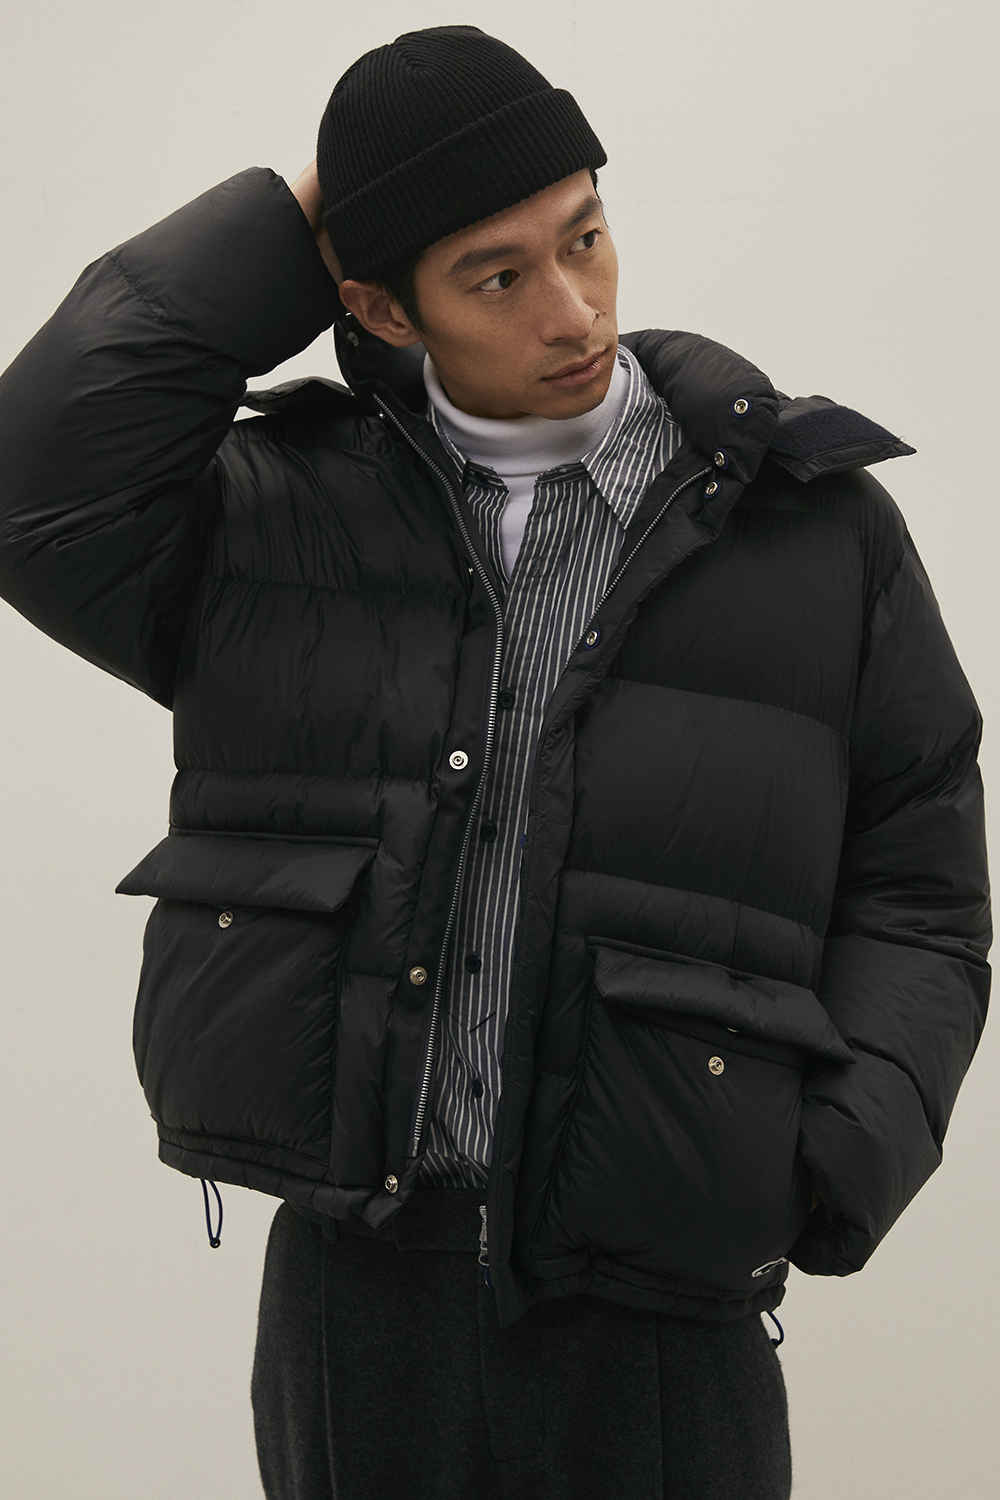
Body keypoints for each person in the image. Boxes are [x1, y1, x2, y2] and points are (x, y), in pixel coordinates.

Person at [0, 22, 989, 1500]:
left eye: (585, 235)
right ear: (377, 306)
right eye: (497, 275)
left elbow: (923, 886)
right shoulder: (273, 522)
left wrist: (823, 1170)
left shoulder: (808, 527)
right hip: (355, 1294)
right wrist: (295, 213)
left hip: (659, 1315)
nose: (576, 308)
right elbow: (36, 485)